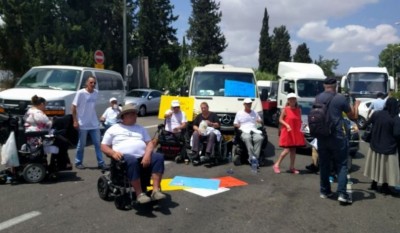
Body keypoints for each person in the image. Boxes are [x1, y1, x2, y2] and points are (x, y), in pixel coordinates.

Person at [101, 104, 166, 204]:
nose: (136, 116)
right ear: (124, 116)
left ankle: (155, 190)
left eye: (135, 114)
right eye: (132, 114)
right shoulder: (114, 129)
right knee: (132, 160)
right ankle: (139, 194)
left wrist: (147, 155)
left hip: (143, 157)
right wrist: (112, 153)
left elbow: (149, 144)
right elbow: (104, 146)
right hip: (124, 158)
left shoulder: (140, 128)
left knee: (158, 157)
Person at [315, 77, 360, 205]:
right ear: (335, 86)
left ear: (324, 86)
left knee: (324, 164)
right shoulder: (340, 98)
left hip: (322, 136)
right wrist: (356, 105)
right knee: (342, 165)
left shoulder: (318, 97)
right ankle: (342, 194)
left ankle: (325, 191)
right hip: (338, 136)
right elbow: (353, 116)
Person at [364, 97, 400, 195]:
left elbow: (366, 123)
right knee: (386, 168)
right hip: (389, 147)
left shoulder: (377, 114)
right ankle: (385, 187)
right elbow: (397, 134)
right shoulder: (395, 118)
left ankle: (374, 184)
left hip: (375, 145)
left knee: (376, 165)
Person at [72, 76, 107, 170]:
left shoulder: (96, 92)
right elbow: (73, 107)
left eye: (94, 83)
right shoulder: (80, 93)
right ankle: (78, 162)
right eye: (91, 82)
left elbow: (95, 106)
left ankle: (101, 163)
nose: (93, 84)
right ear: (87, 83)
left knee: (98, 144)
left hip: (94, 123)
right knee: (82, 144)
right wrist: (75, 120)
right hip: (83, 123)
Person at [273, 93, 305, 174]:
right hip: (288, 132)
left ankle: (292, 167)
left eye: (294, 99)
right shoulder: (285, 109)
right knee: (287, 150)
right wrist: (287, 125)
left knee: (294, 150)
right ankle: (276, 165)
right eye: (290, 99)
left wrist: (303, 129)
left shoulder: (298, 110)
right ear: (288, 100)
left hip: (296, 132)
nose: (292, 100)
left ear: (295, 100)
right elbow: (280, 119)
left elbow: (300, 121)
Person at [233, 98, 264, 163]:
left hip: (254, 129)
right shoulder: (239, 113)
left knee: (260, 138)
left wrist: (260, 121)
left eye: (250, 104)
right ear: (244, 104)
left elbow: (260, 121)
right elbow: (235, 123)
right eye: (247, 104)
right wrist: (237, 125)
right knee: (247, 138)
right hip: (244, 129)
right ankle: (253, 159)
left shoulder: (255, 112)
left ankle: (254, 158)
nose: (249, 105)